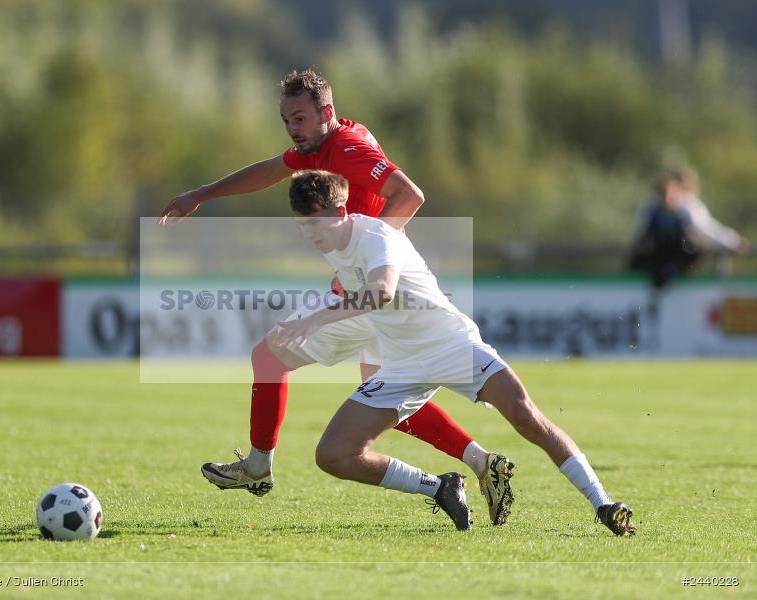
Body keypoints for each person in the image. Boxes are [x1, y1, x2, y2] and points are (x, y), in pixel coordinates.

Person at [161, 68, 515, 526]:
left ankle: (258, 466)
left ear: (325, 112)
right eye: (287, 119)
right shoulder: (325, 143)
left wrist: (369, 259)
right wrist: (203, 195)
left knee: (269, 358)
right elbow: (269, 170)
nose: (292, 128)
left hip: (371, 294)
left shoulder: (346, 148)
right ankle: (479, 465)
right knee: (391, 402)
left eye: (300, 118)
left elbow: (410, 195)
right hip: (380, 296)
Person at [269, 171, 635, 536]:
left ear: (340, 211)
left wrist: (315, 320)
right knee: (333, 455)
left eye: (315, 221)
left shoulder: (375, 236)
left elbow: (381, 291)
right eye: (302, 224)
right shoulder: (334, 244)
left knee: (525, 416)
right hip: (400, 365)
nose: (310, 233)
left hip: (452, 345)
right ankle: (440, 487)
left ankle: (603, 504)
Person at [629, 170, 749, 290]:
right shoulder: (652, 210)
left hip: (681, 257)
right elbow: (641, 237)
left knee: (691, 243)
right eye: (662, 193)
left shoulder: (688, 207)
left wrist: (733, 241)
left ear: (677, 192)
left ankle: (670, 271)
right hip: (660, 257)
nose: (666, 198)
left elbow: (708, 230)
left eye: (669, 193)